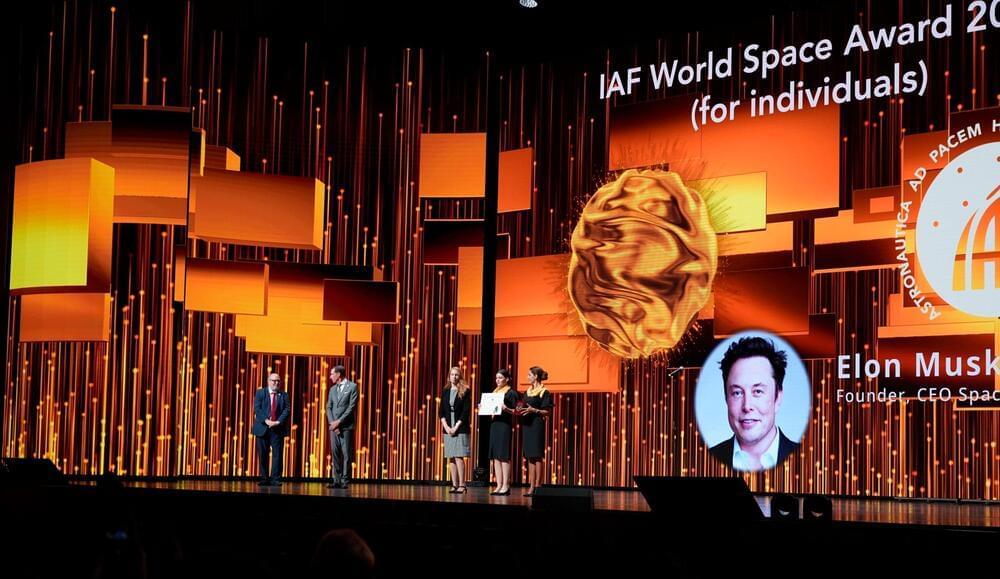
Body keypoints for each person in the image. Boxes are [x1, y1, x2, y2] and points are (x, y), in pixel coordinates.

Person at [708, 336, 800, 471]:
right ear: (726, 398)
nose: (747, 406)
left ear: (778, 397)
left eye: (757, 391)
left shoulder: (808, 460)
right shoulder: (704, 461)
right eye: (737, 393)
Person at [520, 366, 553, 496]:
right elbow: (523, 406)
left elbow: (547, 411)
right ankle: (531, 486)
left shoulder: (544, 392)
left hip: (536, 425)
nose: (527, 377)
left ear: (536, 376)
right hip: (527, 424)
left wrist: (535, 410)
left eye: (529, 375)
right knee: (530, 456)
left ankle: (538, 486)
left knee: (537, 455)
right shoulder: (527, 392)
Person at [252, 373, 290, 486]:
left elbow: (287, 410)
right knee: (263, 454)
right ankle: (264, 478)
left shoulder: (284, 395)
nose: (276, 383)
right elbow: (257, 409)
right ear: (268, 381)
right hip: (262, 428)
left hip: (277, 429)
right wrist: (266, 421)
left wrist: (278, 422)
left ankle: (275, 479)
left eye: (278, 381)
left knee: (277, 455)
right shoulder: (260, 393)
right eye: (273, 380)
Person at [439, 366, 472, 494]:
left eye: (457, 375)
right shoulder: (445, 391)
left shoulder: (465, 390)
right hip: (448, 426)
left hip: (460, 427)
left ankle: (462, 485)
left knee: (459, 456)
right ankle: (454, 484)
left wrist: (456, 427)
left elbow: (466, 411)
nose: (454, 377)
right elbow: (441, 411)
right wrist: (446, 427)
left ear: (460, 376)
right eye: (452, 374)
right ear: (449, 376)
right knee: (451, 457)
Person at [488, 368, 519, 496]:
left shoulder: (511, 393)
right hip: (495, 424)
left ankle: (506, 485)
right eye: (497, 378)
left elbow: (517, 411)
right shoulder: (495, 392)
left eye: (500, 378)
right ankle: (499, 484)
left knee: (503, 455)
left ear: (507, 379)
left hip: (504, 425)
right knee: (496, 456)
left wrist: (506, 409)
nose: (498, 380)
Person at [326, 365, 359, 489]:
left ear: (338, 375)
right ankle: (336, 480)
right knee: (335, 453)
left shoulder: (353, 387)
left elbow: (351, 408)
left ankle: (345, 480)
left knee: (346, 454)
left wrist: (339, 422)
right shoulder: (332, 389)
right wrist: (332, 423)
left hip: (346, 427)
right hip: (333, 427)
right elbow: (328, 407)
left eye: (332, 374)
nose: (330, 377)